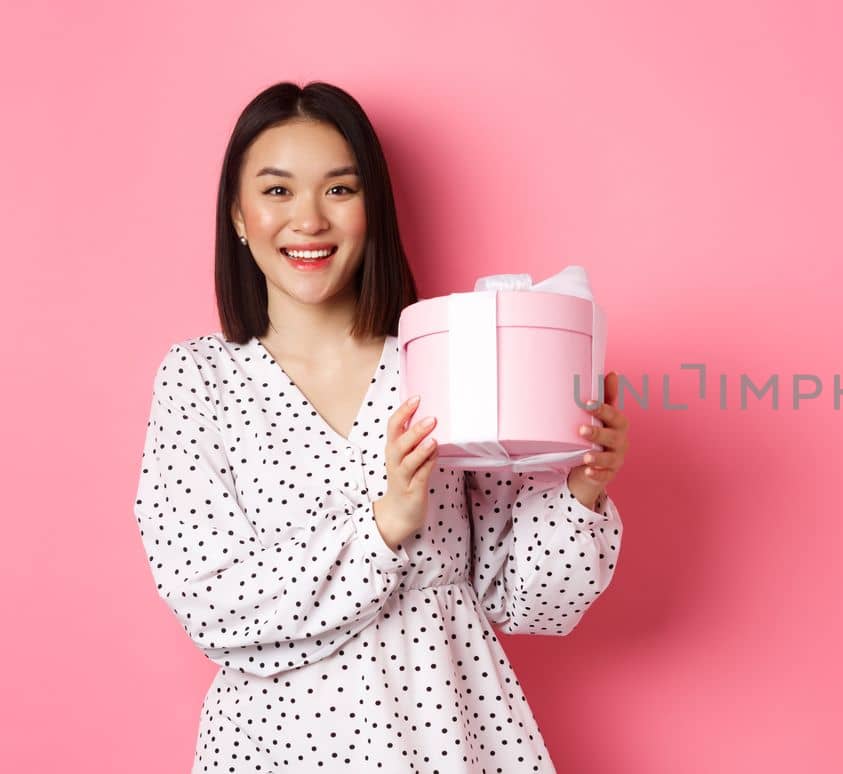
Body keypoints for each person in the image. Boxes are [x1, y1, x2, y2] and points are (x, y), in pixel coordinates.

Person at [132, 81, 629, 773]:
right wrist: (384, 524)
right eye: (277, 191)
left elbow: (529, 602)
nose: (308, 219)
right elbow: (212, 603)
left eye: (340, 189)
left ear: (373, 210)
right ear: (238, 216)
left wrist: (576, 489)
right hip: (275, 748)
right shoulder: (199, 380)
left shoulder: (445, 357)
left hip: (453, 737)